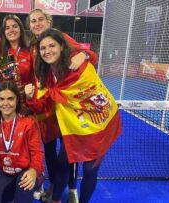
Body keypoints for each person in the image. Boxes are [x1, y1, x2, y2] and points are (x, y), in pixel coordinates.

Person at [25, 28, 122, 203]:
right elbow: (43, 105)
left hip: (98, 125)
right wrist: (30, 98)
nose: (48, 51)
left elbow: (92, 58)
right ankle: (56, 200)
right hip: (75, 127)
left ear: (62, 46)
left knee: (90, 171)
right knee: (63, 165)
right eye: (43, 48)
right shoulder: (46, 76)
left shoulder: (77, 64)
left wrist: (86, 54)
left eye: (52, 46)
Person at [26, 9, 99, 202]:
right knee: (50, 150)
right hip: (47, 107)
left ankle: (73, 188)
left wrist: (85, 54)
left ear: (49, 21)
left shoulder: (60, 38)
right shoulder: (33, 46)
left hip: (67, 107)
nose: (37, 23)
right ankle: (53, 186)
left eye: (41, 19)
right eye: (33, 21)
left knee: (69, 149)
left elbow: (91, 55)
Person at [0, 81, 45, 203]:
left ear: (17, 100)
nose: (5, 103)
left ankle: (36, 185)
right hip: (5, 172)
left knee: (22, 193)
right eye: (1, 99)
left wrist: (34, 171)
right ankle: (11, 192)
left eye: (10, 99)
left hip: (26, 171)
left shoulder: (28, 123)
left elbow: (37, 152)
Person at [0, 14, 33, 115]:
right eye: (7, 28)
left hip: (27, 104)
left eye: (15, 26)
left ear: (20, 29)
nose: (11, 30)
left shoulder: (30, 51)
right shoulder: (0, 51)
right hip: (7, 105)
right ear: (4, 32)